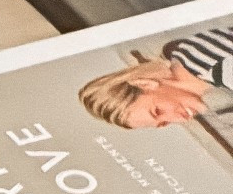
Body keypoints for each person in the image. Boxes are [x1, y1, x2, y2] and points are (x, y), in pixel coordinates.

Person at [79, 23, 233, 129]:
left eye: (158, 111)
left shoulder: (220, 67)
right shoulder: (188, 53)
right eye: (164, 123)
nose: (180, 119)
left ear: (145, 84)